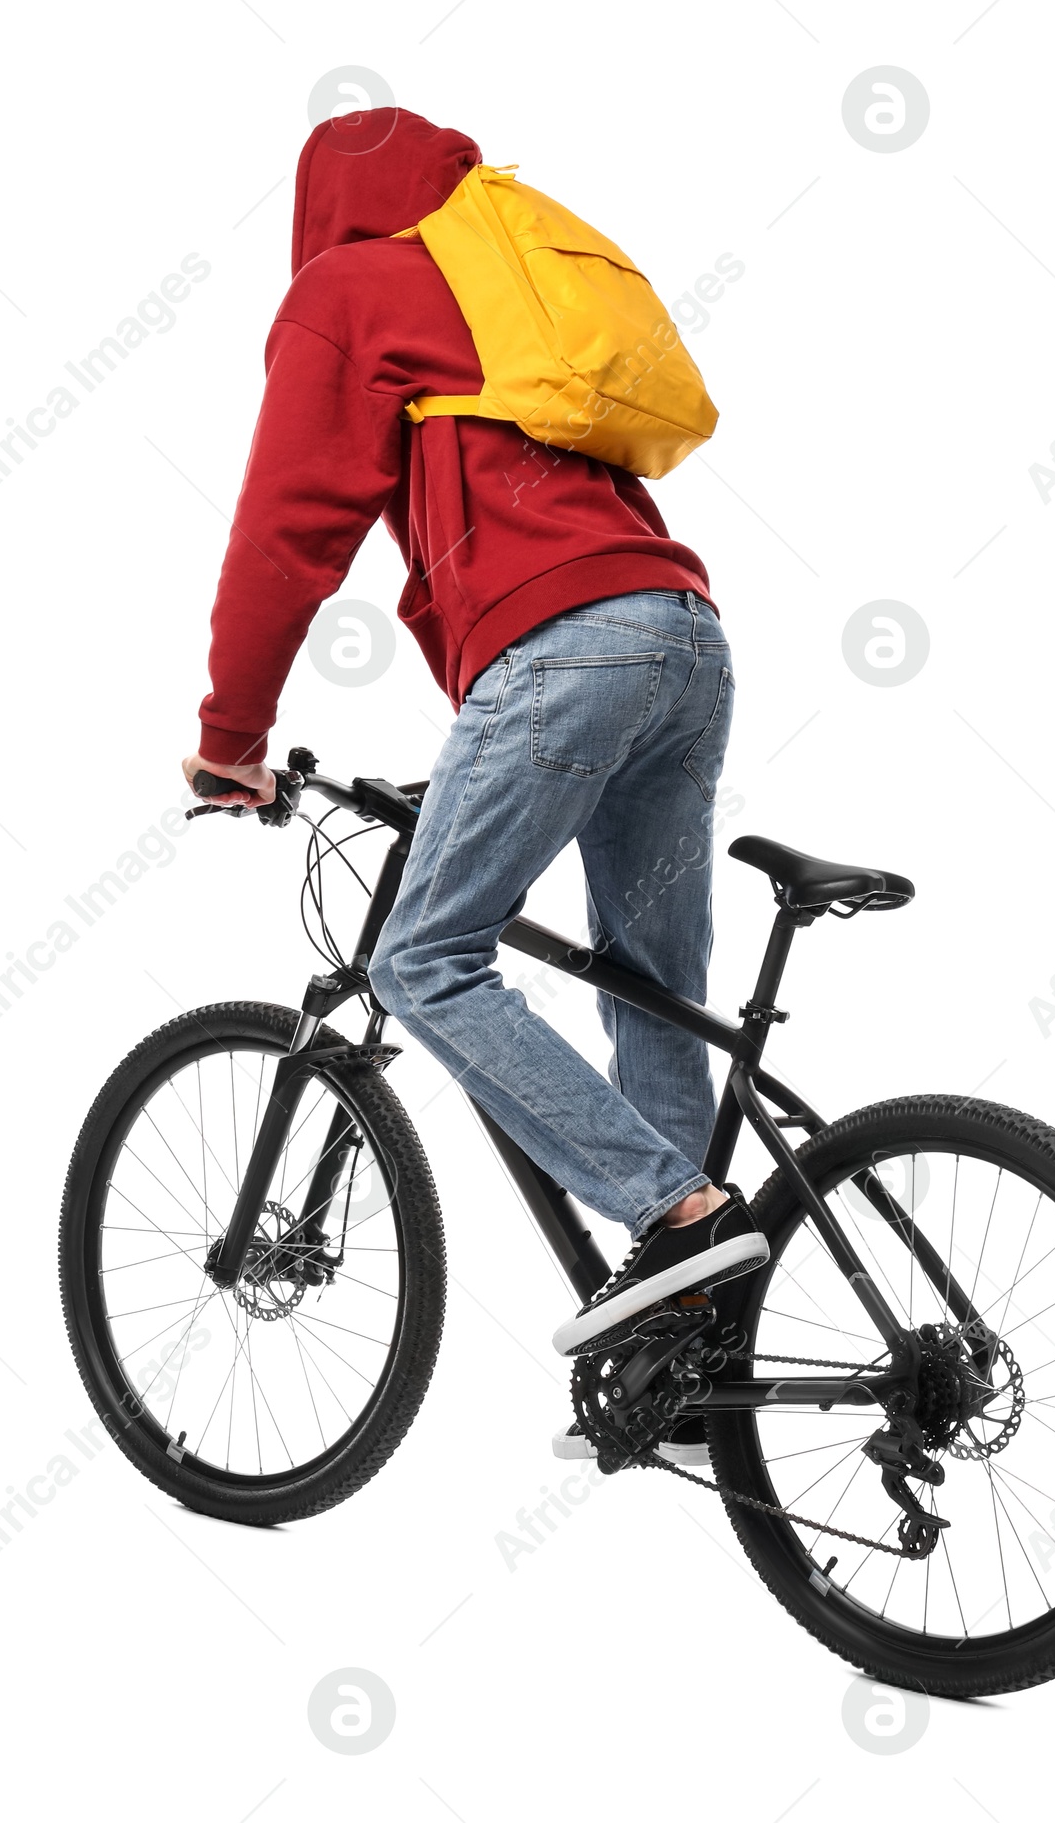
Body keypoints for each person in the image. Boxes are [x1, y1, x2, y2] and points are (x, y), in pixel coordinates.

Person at [180, 108, 768, 1449]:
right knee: (649, 986)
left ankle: (677, 1217)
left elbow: (288, 530)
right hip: (684, 636)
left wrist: (232, 737)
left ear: (318, 208)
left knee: (419, 959)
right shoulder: (507, 277)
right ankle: (682, 1354)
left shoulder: (354, 285)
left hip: (566, 651)